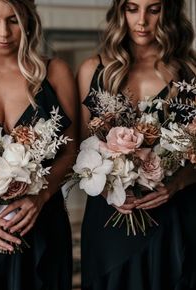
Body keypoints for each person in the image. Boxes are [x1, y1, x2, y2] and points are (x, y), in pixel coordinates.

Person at [77, 0, 196, 289]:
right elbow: (82, 154)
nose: (142, 20)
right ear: (121, 12)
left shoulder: (189, 72)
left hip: (174, 221)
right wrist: (111, 189)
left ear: (168, 13)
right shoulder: (95, 70)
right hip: (112, 221)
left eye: (153, 9)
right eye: (132, 8)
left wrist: (177, 183)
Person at [0, 0, 78, 289]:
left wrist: (40, 197)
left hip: (42, 222)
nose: (3, 32)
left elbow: (71, 150)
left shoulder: (55, 72)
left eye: (13, 20)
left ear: (28, 20)